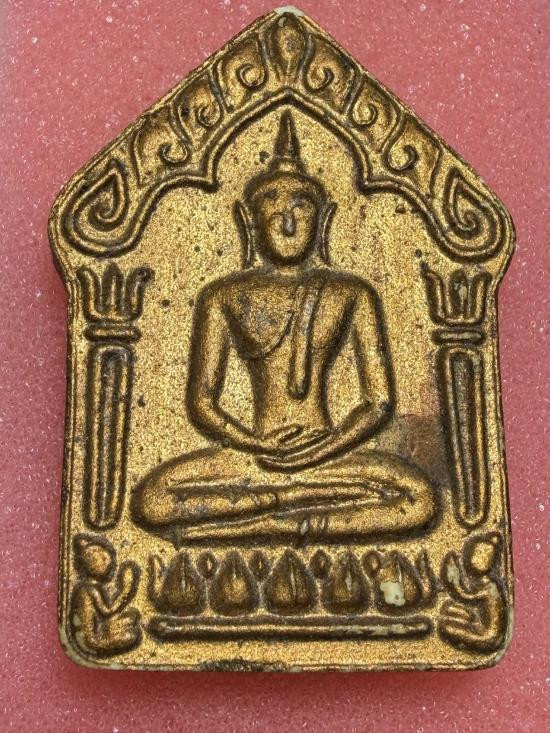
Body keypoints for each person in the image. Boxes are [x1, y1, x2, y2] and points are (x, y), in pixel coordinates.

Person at [131, 111, 437, 543]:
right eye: (272, 206)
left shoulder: (351, 293)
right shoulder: (224, 296)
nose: (288, 221)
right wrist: (256, 446)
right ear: (248, 219)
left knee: (420, 497)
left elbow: (378, 403)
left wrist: (321, 449)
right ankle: (282, 504)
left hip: (329, 455)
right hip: (253, 457)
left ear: (324, 218)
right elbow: (202, 403)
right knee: (151, 500)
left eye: (301, 207)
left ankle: (263, 523)